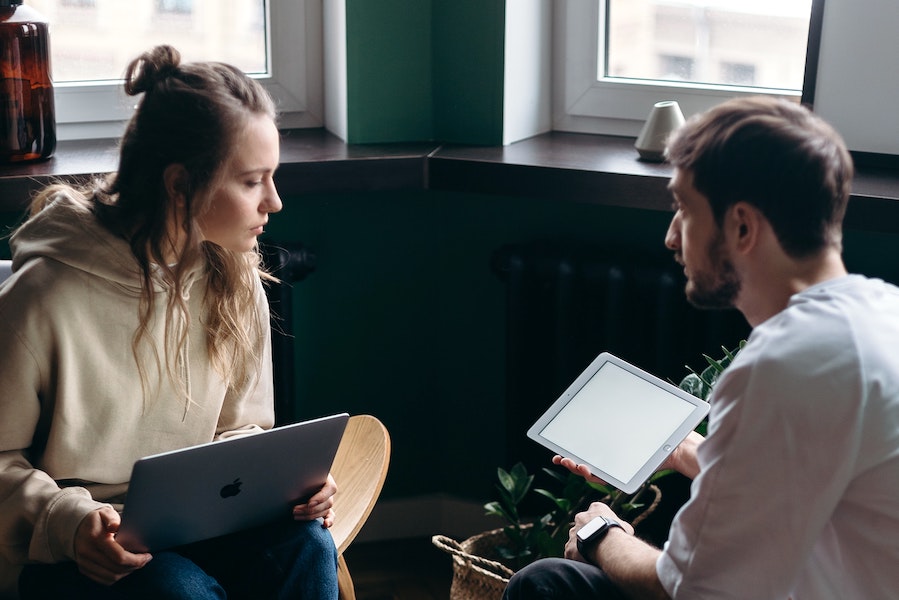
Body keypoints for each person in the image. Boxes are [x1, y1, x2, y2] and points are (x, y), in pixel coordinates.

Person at [503, 96, 899, 599]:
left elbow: (692, 588)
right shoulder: (883, 313)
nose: (671, 238)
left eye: (683, 210)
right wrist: (688, 450)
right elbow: (808, 478)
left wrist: (599, 533)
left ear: (741, 226)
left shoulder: (781, 365)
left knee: (547, 584)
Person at [0, 45, 340, 599]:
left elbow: (241, 432)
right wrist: (68, 523)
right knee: (174, 587)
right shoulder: (44, 297)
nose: (274, 202)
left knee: (305, 544)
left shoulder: (234, 276)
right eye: (253, 181)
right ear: (180, 185)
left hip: (199, 526)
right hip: (75, 555)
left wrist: (289, 488)